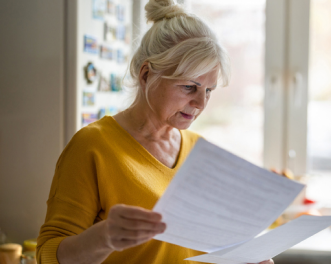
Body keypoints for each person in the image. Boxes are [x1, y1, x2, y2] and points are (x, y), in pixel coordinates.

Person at [37, 0, 274, 263]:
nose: (201, 103)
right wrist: (103, 237)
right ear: (146, 74)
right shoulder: (93, 146)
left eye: (208, 90)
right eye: (189, 87)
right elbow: (48, 255)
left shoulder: (200, 150)